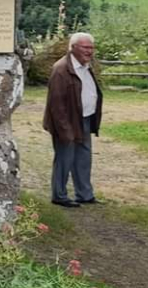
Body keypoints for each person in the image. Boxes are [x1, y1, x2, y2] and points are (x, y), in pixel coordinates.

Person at [43, 32, 103, 208]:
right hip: (67, 122)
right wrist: (64, 130)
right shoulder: (61, 69)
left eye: (91, 47)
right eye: (85, 47)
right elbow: (56, 104)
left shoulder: (85, 66)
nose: (89, 51)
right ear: (73, 47)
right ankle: (59, 196)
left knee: (83, 158)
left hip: (84, 118)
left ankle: (85, 194)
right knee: (65, 158)